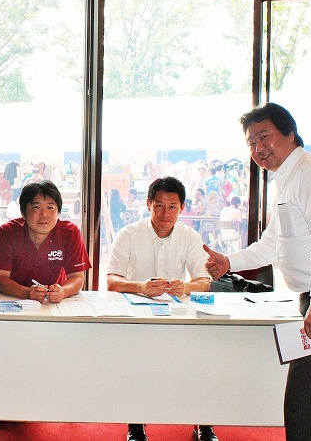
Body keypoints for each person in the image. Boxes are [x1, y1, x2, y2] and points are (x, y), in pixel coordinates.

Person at [205, 103, 311, 441]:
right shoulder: (287, 179)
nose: (258, 148)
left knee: (302, 402)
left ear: (290, 134)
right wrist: (229, 262)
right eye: (251, 143)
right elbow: (273, 244)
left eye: (264, 137)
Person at [106, 177, 216, 441]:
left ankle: (204, 423)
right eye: (159, 205)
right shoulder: (128, 234)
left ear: (182, 208)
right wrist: (140, 287)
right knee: (136, 365)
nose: (165, 213)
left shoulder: (190, 236)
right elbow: (112, 281)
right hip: (137, 315)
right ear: (148, 204)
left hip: (178, 315)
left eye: (172, 207)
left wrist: (186, 287)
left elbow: (204, 282)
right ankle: (136, 424)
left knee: (202, 361)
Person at [0, 180, 91, 303]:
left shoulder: (70, 233)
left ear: (58, 212)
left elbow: (77, 277)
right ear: (23, 212)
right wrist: (27, 293)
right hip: (14, 300)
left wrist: (63, 292)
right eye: (36, 207)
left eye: (50, 208)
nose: (44, 215)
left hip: (54, 302)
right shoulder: (7, 233)